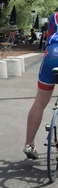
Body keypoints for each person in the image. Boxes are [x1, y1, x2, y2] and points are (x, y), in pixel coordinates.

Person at [23, 11, 58, 159]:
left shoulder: (55, 16)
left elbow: (48, 36)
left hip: (52, 53)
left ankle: (29, 143)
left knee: (39, 102)